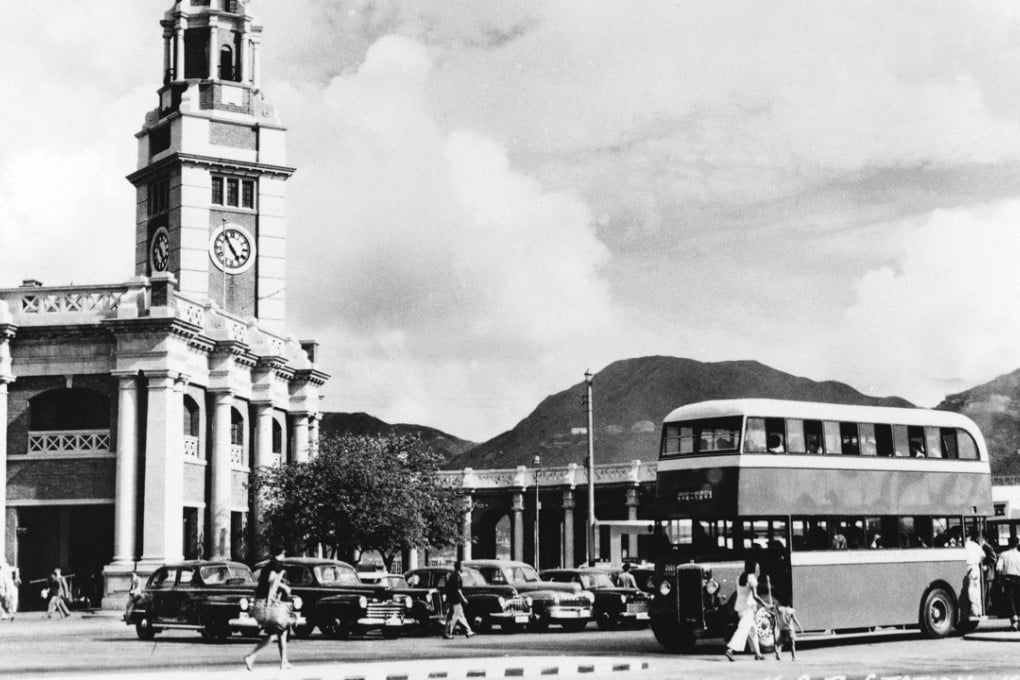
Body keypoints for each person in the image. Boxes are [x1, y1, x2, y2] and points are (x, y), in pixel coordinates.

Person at [244, 545, 293, 670]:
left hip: (264, 600)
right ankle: (251, 656)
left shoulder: (270, 564)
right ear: (282, 552)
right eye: (284, 553)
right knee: (275, 633)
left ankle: (284, 661)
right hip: (269, 604)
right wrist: (283, 588)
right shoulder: (276, 564)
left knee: (281, 631)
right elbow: (272, 580)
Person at [724, 558, 768, 662]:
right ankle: (730, 650)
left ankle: (758, 654)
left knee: (753, 631)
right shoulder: (752, 579)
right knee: (742, 630)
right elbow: (755, 596)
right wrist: (766, 604)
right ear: (753, 568)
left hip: (740, 607)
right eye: (757, 567)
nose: (758, 569)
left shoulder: (740, 577)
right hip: (748, 608)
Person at [442, 561, 474, 639]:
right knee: (454, 617)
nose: (463, 568)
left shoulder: (452, 575)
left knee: (458, 616)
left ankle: (468, 631)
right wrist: (463, 598)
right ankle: (448, 633)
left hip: (451, 599)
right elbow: (458, 589)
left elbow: (448, 587)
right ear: (459, 567)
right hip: (455, 599)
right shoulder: (456, 576)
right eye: (462, 566)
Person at [996, 536, 1020, 632]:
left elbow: (998, 568)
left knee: (1010, 600)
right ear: (1017, 544)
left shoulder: (1003, 555)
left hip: (1008, 579)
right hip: (1019, 578)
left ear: (1009, 543)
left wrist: (999, 580)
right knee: (1018, 599)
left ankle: (1014, 620)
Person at [964, 529, 985, 618]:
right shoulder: (975, 545)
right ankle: (979, 610)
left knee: (971, 589)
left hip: (969, 567)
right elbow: (983, 555)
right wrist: (977, 561)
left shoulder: (964, 545)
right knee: (977, 589)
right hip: (976, 567)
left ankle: (974, 610)